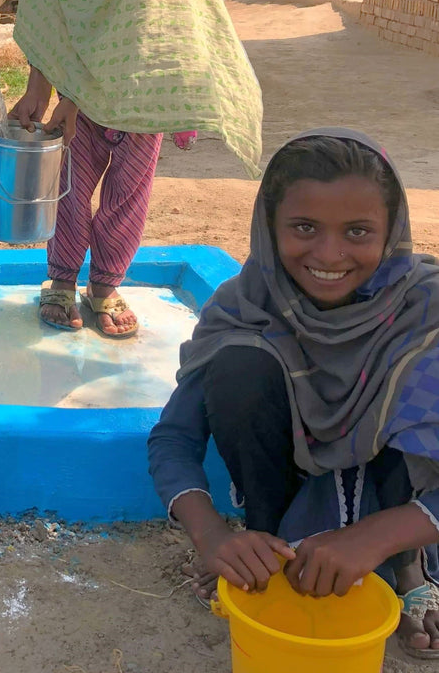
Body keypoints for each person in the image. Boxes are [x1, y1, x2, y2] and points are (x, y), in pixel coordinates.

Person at [148, 130, 439, 658]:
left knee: (421, 370)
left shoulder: (427, 312)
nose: (330, 254)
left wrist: (378, 536)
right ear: (269, 227)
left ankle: (408, 566)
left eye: (357, 231)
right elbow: (173, 438)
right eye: (304, 227)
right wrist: (213, 537)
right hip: (283, 490)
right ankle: (268, 552)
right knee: (239, 366)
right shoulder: (246, 304)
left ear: (391, 231)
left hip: (398, 510)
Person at [12, 0, 262, 339]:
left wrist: (81, 100)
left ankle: (103, 287)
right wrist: (41, 87)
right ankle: (59, 282)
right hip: (77, 100)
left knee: (128, 198)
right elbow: (48, 8)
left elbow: (159, 5)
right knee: (70, 193)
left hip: (142, 93)